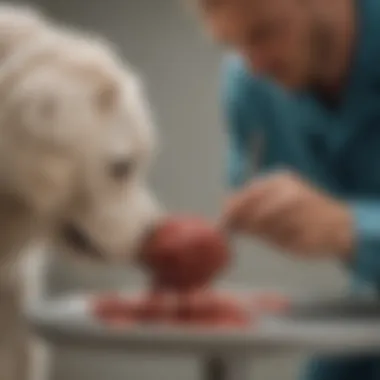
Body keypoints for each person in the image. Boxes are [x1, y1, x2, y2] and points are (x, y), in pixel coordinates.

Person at [191, 0, 380, 379]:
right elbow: (241, 186)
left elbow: (344, 230)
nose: (254, 63)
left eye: (264, 32)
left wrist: (350, 229)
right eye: (233, 43)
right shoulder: (251, 87)